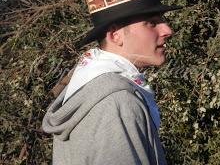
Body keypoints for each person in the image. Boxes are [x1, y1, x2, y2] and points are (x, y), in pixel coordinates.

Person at [42, 13, 173, 164]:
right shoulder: (118, 103)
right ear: (115, 35)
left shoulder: (86, 83)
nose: (167, 30)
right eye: (151, 23)